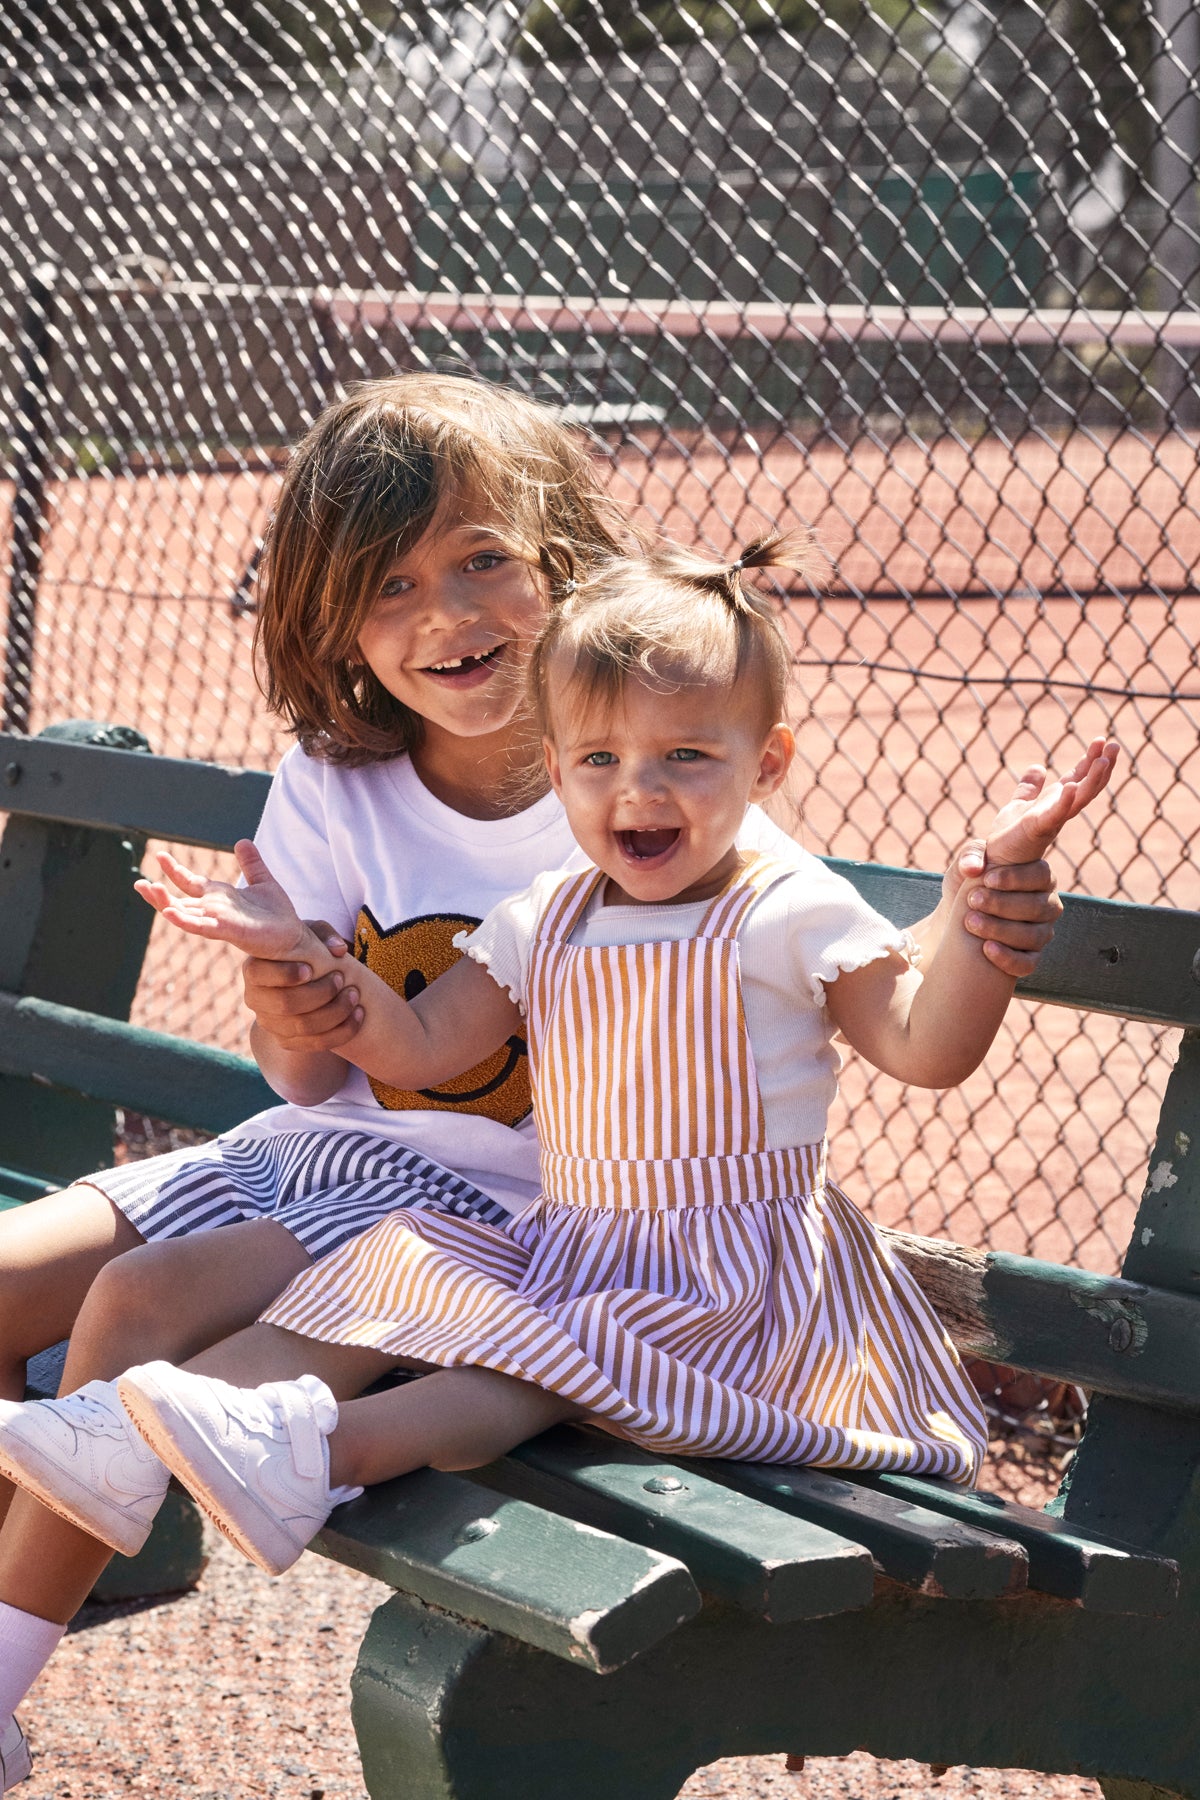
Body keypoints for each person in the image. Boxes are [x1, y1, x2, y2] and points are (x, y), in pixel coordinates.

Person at [0, 384, 1068, 1790]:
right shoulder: (338, 779)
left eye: (480, 559)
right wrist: (292, 986)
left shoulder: (659, 824)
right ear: (333, 616)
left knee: (137, 1310)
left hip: (504, 1223)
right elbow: (323, 1073)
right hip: (319, 1151)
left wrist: (981, 912)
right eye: (390, 585)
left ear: (564, 563)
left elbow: (902, 1021)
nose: (445, 612)